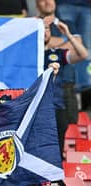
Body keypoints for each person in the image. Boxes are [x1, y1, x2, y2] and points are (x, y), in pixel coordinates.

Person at [44, 20, 88, 159]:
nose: (45, 31)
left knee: (58, 145)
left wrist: (67, 34)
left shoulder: (56, 53)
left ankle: (56, 178)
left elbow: (83, 55)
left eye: (47, 29)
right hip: (36, 106)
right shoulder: (26, 53)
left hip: (57, 105)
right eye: (42, 29)